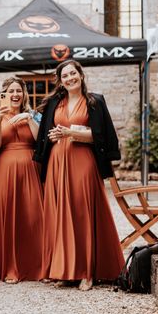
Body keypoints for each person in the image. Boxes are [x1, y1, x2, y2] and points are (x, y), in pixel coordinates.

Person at [34, 60, 125, 291]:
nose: (70, 78)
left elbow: (103, 138)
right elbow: (44, 135)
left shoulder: (95, 101)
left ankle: (87, 271)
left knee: (82, 211)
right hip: (57, 162)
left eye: (73, 73)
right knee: (61, 215)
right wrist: (53, 138)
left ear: (81, 75)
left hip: (83, 161)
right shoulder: (55, 102)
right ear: (60, 80)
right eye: (65, 76)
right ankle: (66, 270)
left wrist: (72, 133)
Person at [0, 78, 45, 283]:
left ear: (24, 94)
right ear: (4, 94)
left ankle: (38, 266)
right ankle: (10, 268)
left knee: (34, 216)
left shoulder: (35, 115)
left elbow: (41, 141)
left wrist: (29, 119)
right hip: (5, 171)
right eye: (11, 91)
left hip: (31, 170)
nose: (15, 94)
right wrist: (0, 121)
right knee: (9, 216)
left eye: (18, 91)